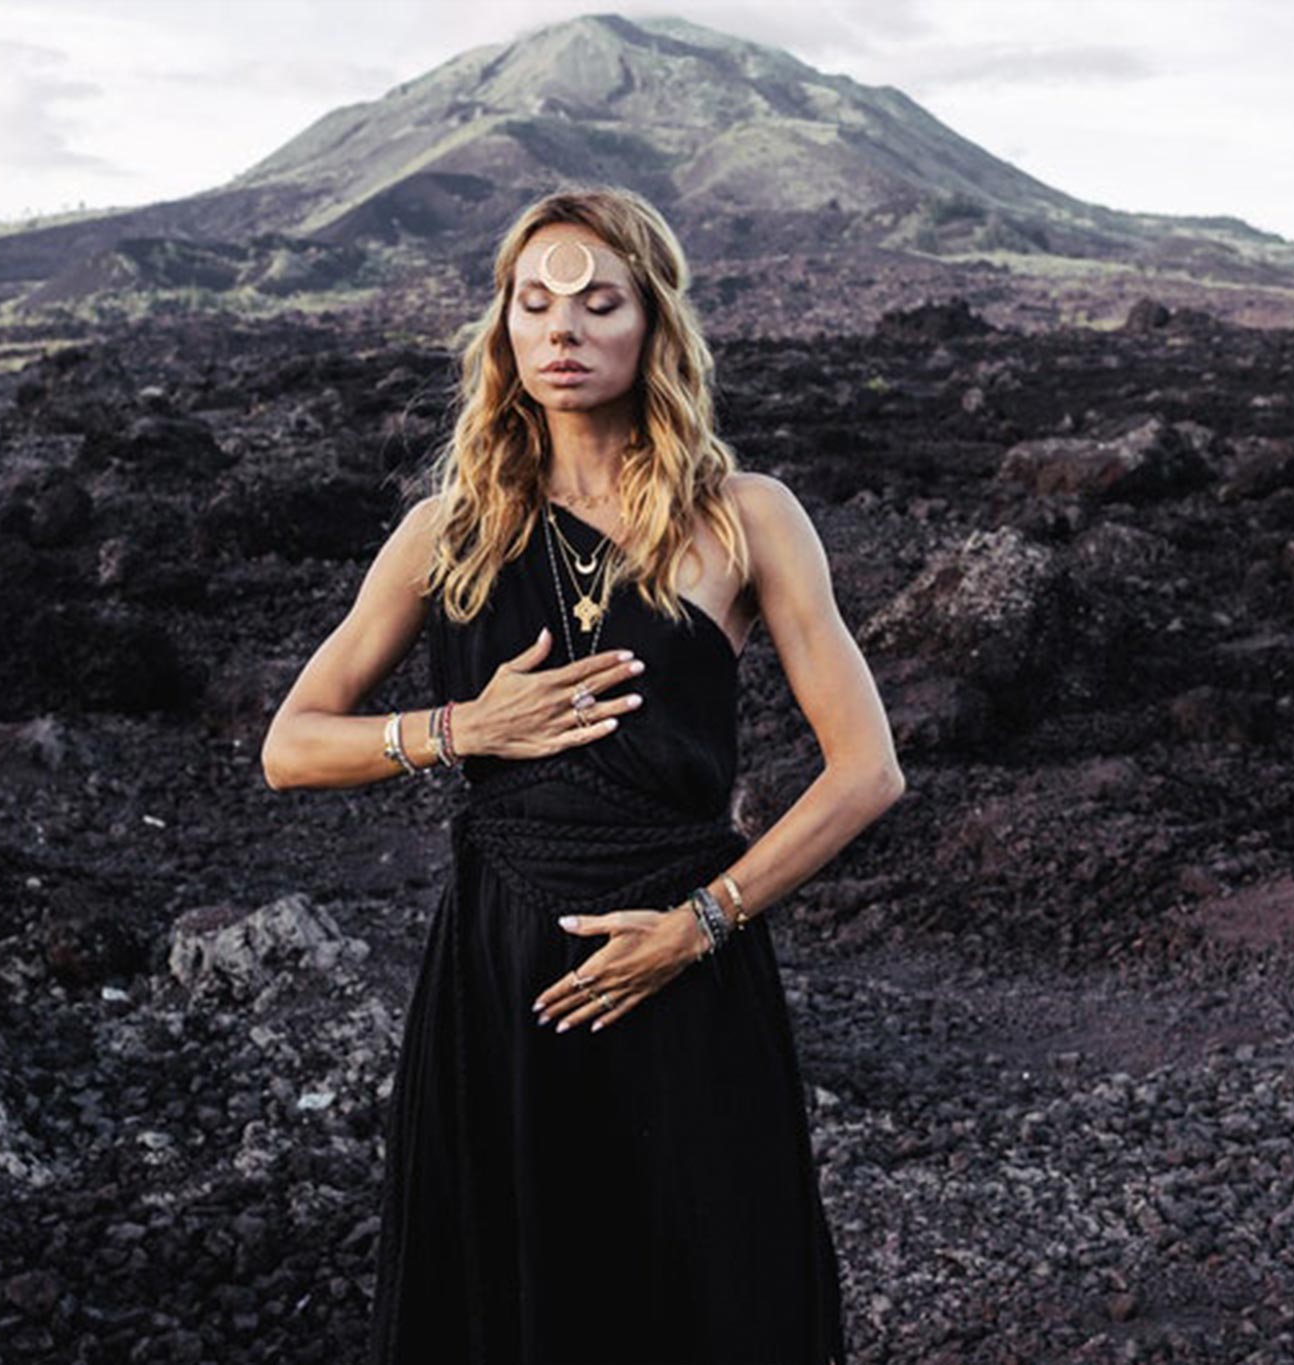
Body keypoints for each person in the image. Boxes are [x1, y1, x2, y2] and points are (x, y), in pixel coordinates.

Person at [261, 184, 905, 1365]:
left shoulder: (743, 519)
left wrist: (700, 924)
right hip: (500, 970)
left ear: (653, 327)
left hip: (686, 960)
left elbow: (865, 771)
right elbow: (290, 744)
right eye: (534, 302)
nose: (563, 329)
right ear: (502, 330)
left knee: (715, 1291)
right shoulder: (446, 530)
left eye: (599, 303)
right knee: (511, 1296)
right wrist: (462, 728)